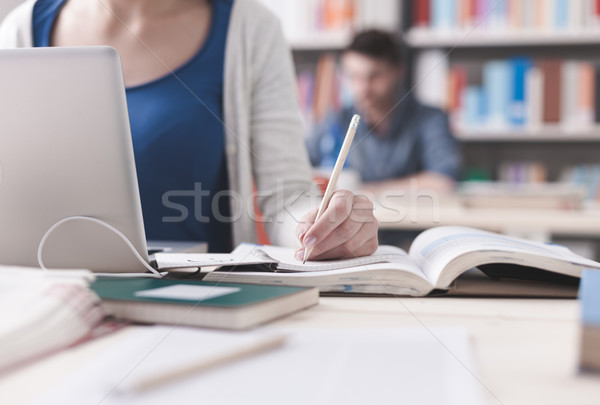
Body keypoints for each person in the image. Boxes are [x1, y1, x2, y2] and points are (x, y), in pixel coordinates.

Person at [0, 0, 378, 260]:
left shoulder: (250, 30)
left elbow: (286, 198)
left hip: (196, 303)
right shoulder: (21, 29)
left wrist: (320, 228)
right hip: (49, 297)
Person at [306, 29, 461, 196]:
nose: (363, 88)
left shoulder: (430, 119)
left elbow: (443, 181)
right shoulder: (335, 120)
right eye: (354, 76)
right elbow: (299, 168)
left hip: (413, 219)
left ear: (398, 71)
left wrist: (364, 191)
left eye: (375, 76)